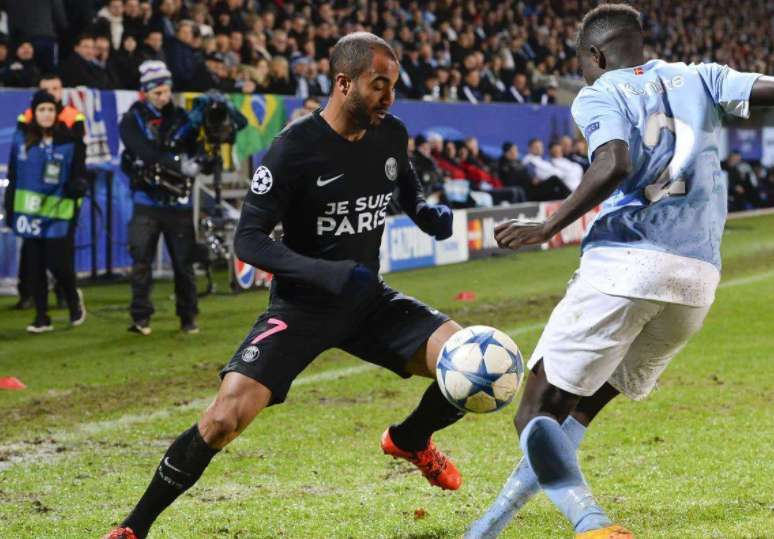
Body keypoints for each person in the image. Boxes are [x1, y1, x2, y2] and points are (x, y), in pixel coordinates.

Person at [468, 5, 774, 538]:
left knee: (534, 413)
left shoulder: (599, 92)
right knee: (573, 416)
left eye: (582, 63)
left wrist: (548, 225)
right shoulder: (700, 76)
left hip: (626, 263)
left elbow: (614, 162)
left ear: (594, 55)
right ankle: (486, 528)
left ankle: (590, 522)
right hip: (694, 281)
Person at [102, 33, 473, 539]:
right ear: (344, 83)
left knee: (469, 365)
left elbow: (404, 186)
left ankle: (410, 438)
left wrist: (426, 213)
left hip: (368, 302)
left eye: (393, 86)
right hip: (301, 308)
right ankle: (133, 528)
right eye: (378, 85)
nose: (389, 97)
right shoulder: (294, 148)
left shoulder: (391, 133)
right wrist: (324, 272)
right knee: (223, 419)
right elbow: (248, 240)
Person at [119, 61, 202, 336]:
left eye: (166, 91)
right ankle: (141, 318)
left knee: (183, 264)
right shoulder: (131, 119)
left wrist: (200, 159)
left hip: (178, 204)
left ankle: (188, 317)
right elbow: (144, 152)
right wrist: (178, 163)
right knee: (141, 262)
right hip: (146, 201)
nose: (163, 97)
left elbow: (197, 151)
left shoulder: (182, 118)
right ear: (145, 92)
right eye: (157, 92)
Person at [3, 91, 87, 333]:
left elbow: (80, 174)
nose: (47, 114)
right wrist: (10, 207)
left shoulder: (70, 142)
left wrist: (77, 186)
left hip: (59, 213)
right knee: (35, 265)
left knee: (59, 265)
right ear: (34, 113)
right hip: (29, 213)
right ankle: (42, 317)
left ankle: (73, 300)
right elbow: (13, 175)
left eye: (51, 109)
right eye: (42, 110)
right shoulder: (21, 141)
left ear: (57, 113)